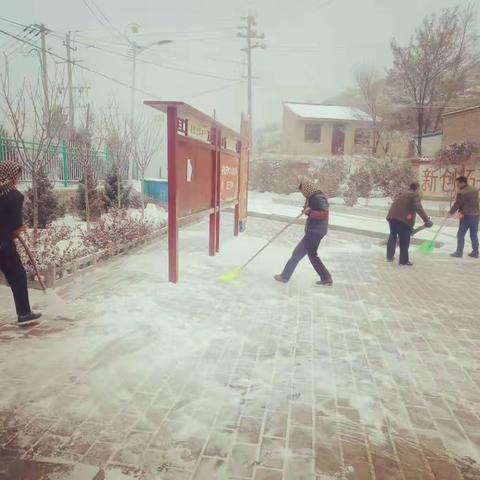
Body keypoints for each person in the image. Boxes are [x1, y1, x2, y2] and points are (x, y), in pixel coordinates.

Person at [0, 161, 42, 325]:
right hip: (3, 246)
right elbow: (15, 225)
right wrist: (19, 228)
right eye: (17, 175)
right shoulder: (14, 196)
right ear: (11, 176)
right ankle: (24, 314)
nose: (18, 178)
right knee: (17, 276)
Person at [274, 179, 332, 286]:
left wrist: (310, 212)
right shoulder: (314, 197)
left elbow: (323, 214)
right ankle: (326, 278)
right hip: (315, 231)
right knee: (312, 255)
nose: (303, 194)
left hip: (314, 232)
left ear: (307, 189)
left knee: (297, 254)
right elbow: (315, 211)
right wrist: (307, 210)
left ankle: (284, 277)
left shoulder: (318, 198)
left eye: (303, 192)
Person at [386, 182, 433, 266]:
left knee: (393, 236)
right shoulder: (414, 195)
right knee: (404, 239)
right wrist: (426, 221)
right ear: (417, 188)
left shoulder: (403, 193)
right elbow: (418, 208)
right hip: (402, 219)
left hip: (391, 217)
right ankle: (403, 260)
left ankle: (389, 257)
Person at [449, 176, 479, 259]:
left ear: (463, 183)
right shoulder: (474, 189)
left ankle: (459, 252)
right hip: (476, 215)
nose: (457, 185)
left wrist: (450, 212)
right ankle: (475, 252)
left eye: (458, 183)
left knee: (460, 234)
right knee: (473, 234)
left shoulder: (462, 192)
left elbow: (458, 204)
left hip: (465, 216)